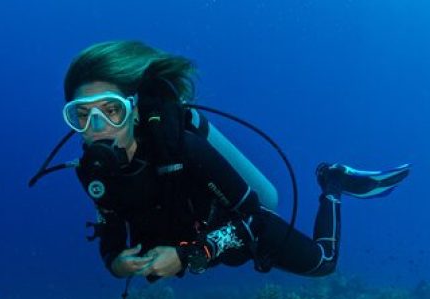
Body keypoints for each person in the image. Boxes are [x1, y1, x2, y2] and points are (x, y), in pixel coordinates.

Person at [58, 40, 410, 279]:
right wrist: (117, 263)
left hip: (242, 227)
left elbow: (253, 218)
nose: (97, 127)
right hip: (190, 240)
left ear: (135, 111)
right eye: (82, 115)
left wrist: (190, 256)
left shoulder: (183, 150)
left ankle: (333, 182)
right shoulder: (93, 172)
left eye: (111, 110)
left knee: (324, 265)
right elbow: (112, 228)